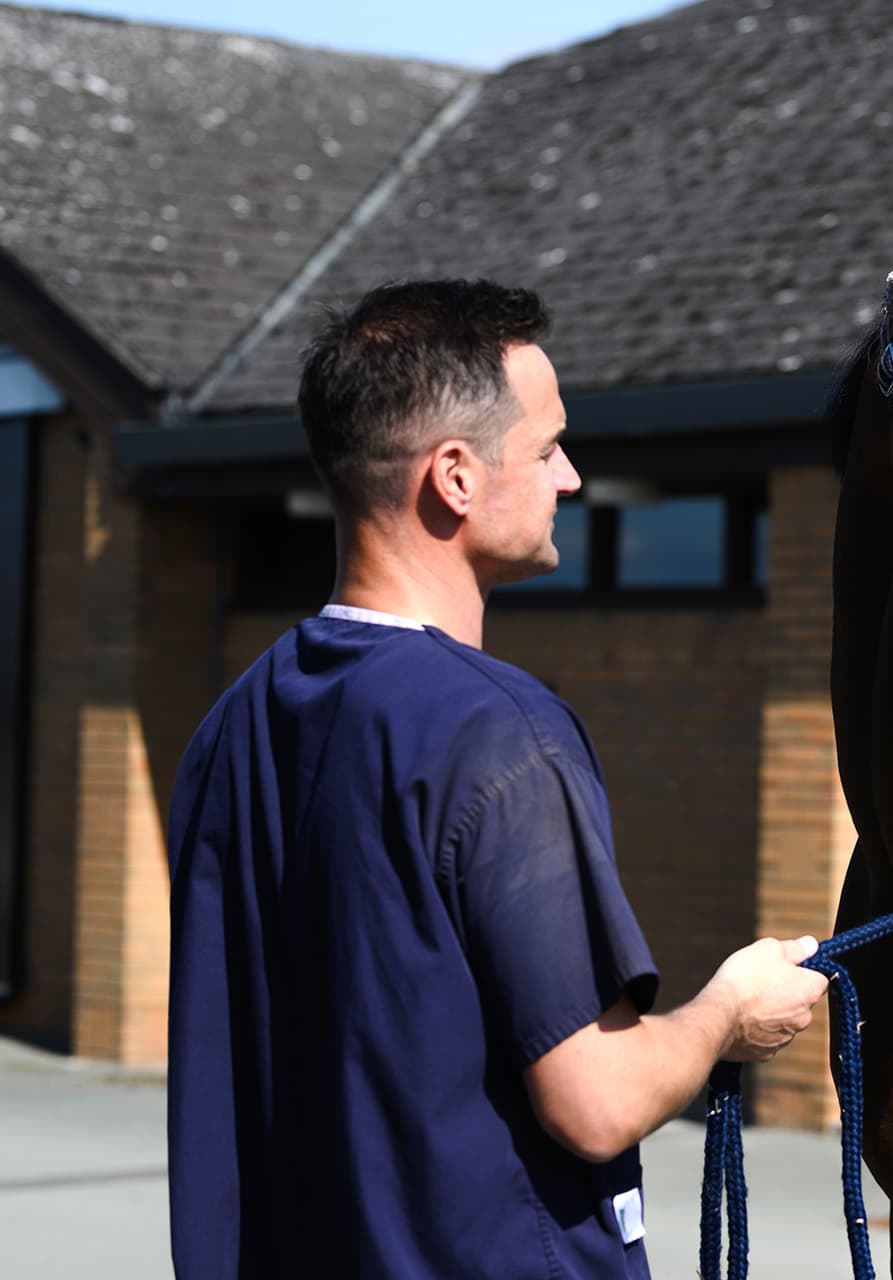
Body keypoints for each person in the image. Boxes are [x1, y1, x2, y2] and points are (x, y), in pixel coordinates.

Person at [166, 279, 829, 1279]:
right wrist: (725, 1013)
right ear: (455, 477)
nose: (570, 477)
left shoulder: (229, 727)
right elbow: (594, 1096)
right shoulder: (501, 731)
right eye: (548, 445)